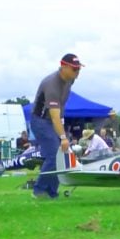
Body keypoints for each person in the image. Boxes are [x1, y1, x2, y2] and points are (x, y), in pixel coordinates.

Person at [29, 53, 83, 199]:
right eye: (74, 69)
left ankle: (52, 192)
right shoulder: (52, 84)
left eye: (78, 69)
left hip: (54, 119)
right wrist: (63, 137)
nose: (77, 73)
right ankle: (39, 191)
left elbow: (59, 112)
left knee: (61, 156)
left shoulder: (70, 80)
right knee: (54, 155)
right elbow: (54, 115)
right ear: (63, 67)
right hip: (41, 120)